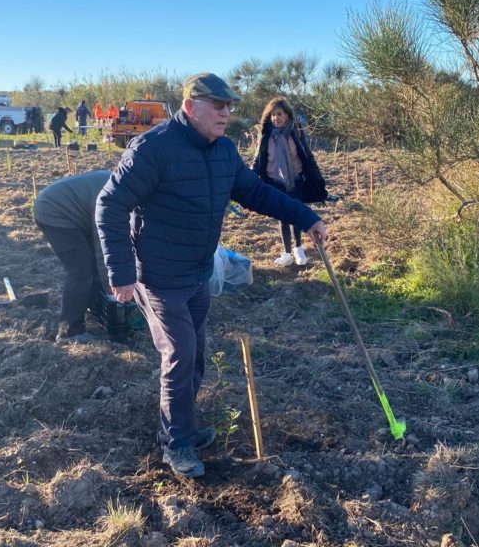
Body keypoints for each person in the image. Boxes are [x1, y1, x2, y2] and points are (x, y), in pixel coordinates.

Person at [96, 73, 327, 479]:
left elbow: (257, 193)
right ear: (191, 106)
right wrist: (121, 271)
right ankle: (176, 443)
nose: (225, 113)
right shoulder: (153, 148)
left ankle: (181, 425)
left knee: (195, 353)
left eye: (229, 106)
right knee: (180, 354)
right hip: (159, 275)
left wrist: (305, 217)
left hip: (199, 272)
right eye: (217, 105)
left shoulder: (223, 152)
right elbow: (110, 204)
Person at [34, 170, 114, 344]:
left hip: (75, 211)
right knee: (81, 270)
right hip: (54, 210)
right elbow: (103, 249)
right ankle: (70, 331)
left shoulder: (125, 185)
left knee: (90, 265)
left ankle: (95, 308)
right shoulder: (109, 198)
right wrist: (112, 290)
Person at [252, 97, 328, 266]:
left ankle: (298, 249)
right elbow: (258, 159)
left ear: (287, 115)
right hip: (274, 181)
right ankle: (287, 253)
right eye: (273, 115)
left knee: (295, 213)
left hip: (296, 180)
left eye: (279, 114)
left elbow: (308, 155)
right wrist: (250, 178)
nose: (276, 118)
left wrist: (318, 179)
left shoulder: (296, 132)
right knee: (283, 217)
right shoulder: (266, 134)